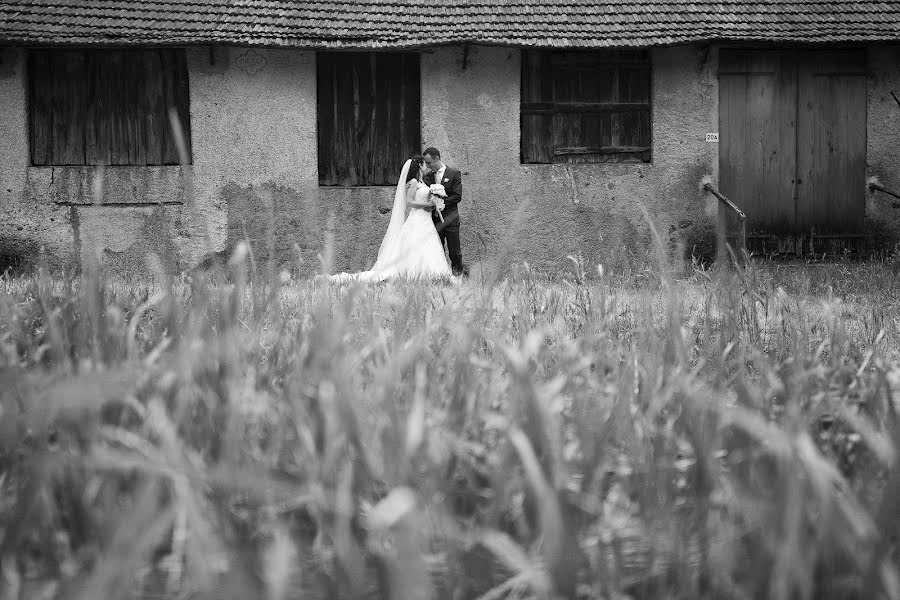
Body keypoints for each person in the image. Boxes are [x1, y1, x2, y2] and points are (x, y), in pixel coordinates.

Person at [330, 156, 451, 283]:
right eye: (425, 164)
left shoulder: (422, 182)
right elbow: (409, 202)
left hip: (426, 219)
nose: (426, 166)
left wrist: (435, 203)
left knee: (427, 244)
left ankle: (430, 273)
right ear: (420, 165)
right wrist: (428, 205)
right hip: (417, 219)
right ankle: (413, 272)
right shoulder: (414, 182)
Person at [423, 147, 467, 277]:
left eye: (429, 162)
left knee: (454, 252)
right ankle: (441, 277)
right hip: (435, 221)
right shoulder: (427, 177)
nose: (428, 166)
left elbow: (457, 196)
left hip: (451, 219)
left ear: (437, 158)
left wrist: (441, 202)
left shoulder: (454, 173)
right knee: (438, 251)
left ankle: (458, 276)